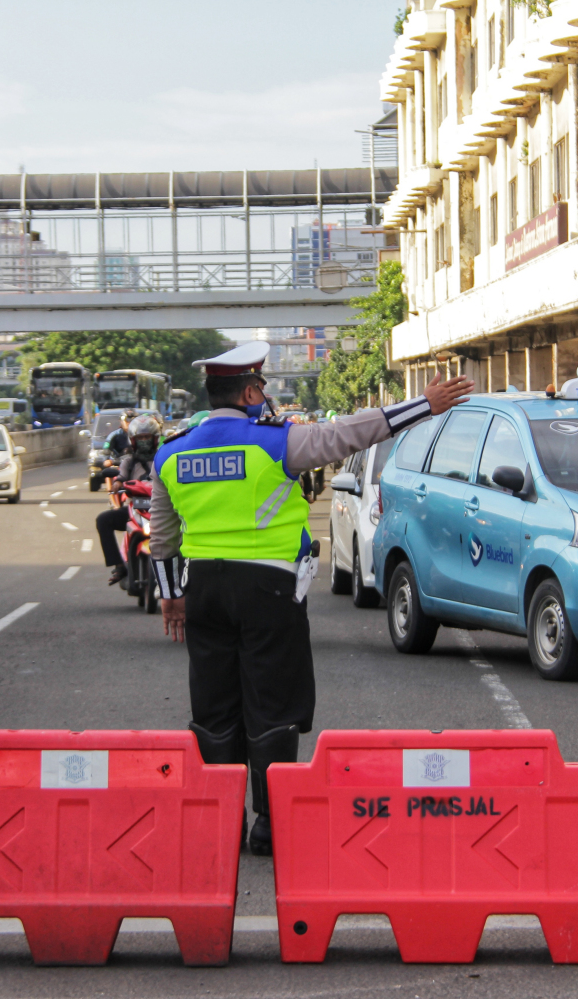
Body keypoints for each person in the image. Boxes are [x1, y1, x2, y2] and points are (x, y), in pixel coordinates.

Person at [148, 341, 473, 856]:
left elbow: (161, 537)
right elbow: (351, 432)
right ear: (251, 391)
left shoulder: (171, 451)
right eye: (262, 388)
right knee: (272, 704)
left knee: (214, 709)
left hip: (203, 591)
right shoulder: (277, 443)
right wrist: (423, 406)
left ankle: (219, 822)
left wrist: (170, 598)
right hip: (268, 591)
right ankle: (269, 825)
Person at [96, 413, 163, 585]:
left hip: (163, 510)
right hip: (136, 510)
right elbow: (120, 477)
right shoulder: (128, 462)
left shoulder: (165, 458)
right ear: (133, 440)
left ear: (155, 438)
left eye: (147, 436)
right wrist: (118, 483)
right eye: (140, 437)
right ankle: (119, 566)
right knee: (103, 520)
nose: (144, 441)